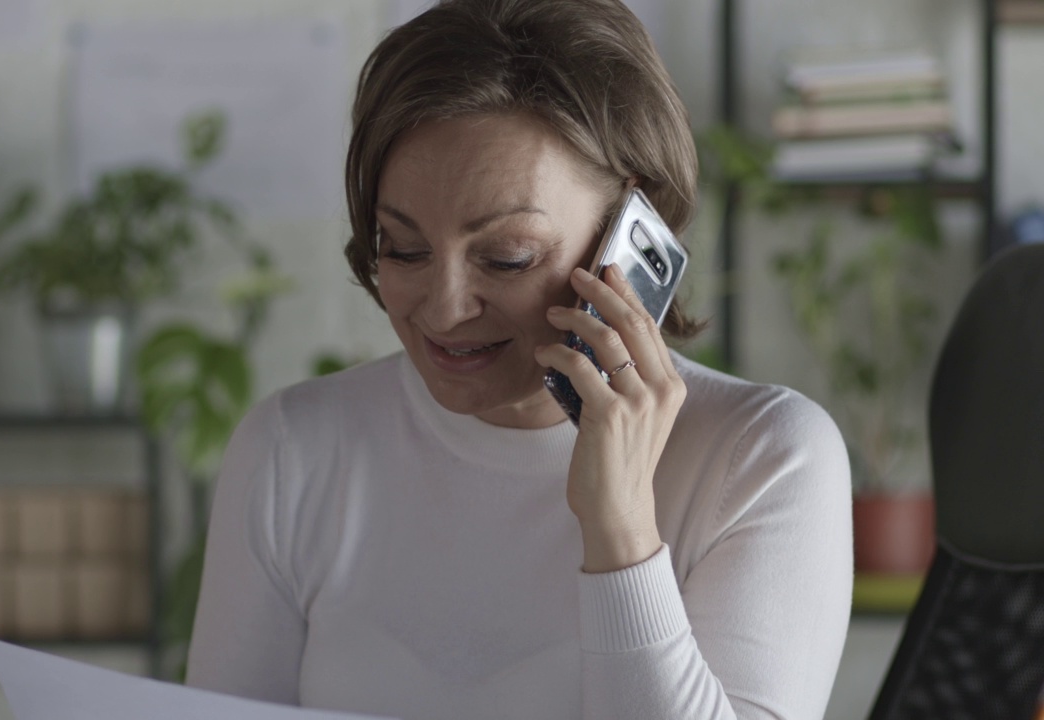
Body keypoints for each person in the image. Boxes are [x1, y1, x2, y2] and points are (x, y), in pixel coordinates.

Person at [185, 0, 853, 718]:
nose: (442, 310)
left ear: (631, 238)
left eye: (507, 258)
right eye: (403, 248)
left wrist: (621, 527)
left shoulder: (763, 460)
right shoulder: (294, 451)